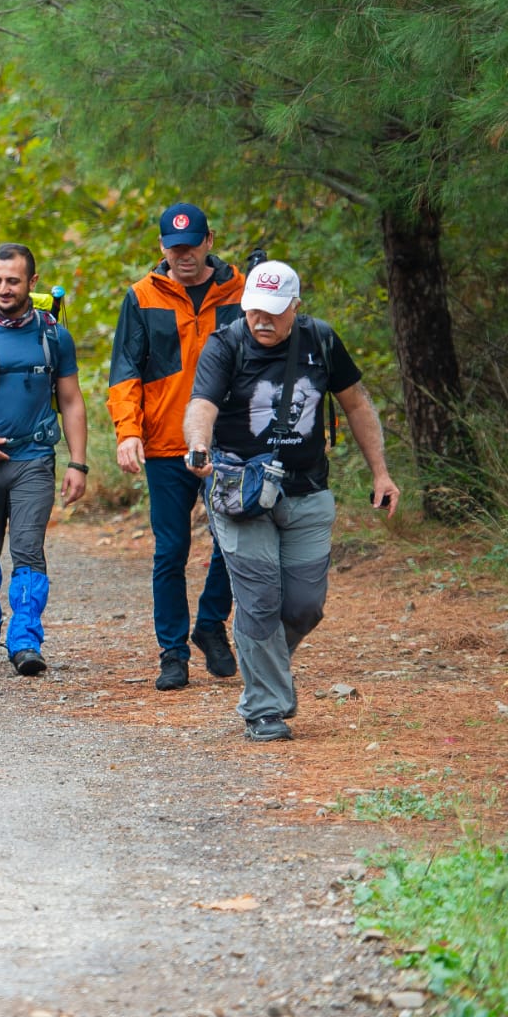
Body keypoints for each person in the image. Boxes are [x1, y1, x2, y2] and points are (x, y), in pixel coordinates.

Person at [184, 260, 400, 741]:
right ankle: (265, 709)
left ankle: (263, 668)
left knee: (305, 606)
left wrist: (381, 473)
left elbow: (357, 404)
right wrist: (197, 445)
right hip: (241, 491)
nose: (261, 319)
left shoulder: (320, 340)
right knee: (259, 600)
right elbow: (202, 404)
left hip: (307, 489)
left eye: (274, 311)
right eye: (254, 309)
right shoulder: (226, 344)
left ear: (296, 308)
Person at [109, 202, 249, 692]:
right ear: (162, 247)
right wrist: (128, 431)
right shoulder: (142, 296)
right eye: (174, 248)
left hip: (228, 442)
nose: (183, 256)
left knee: (234, 543)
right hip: (166, 444)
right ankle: (172, 653)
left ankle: (210, 624)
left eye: (191, 247)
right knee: (171, 550)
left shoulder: (241, 291)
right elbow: (125, 370)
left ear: (210, 241)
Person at [0, 245, 88, 676]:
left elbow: (71, 400)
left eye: (12, 281)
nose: (3, 289)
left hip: (34, 458)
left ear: (32, 282)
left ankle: (25, 640)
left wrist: (78, 463)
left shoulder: (53, 336)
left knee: (29, 550)